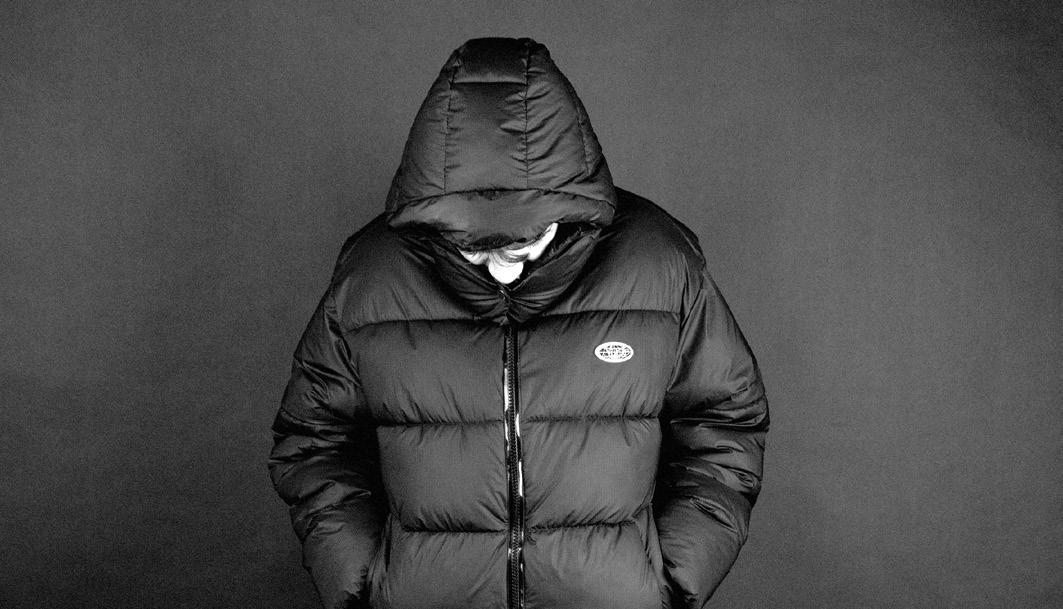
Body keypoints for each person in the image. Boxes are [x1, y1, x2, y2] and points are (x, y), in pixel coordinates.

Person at [267, 37, 769, 609]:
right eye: (475, 249)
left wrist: (673, 579)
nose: (503, 269)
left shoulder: (658, 262)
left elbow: (725, 419)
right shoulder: (371, 276)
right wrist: (360, 583)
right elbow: (313, 439)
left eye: (523, 243)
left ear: (568, 206)